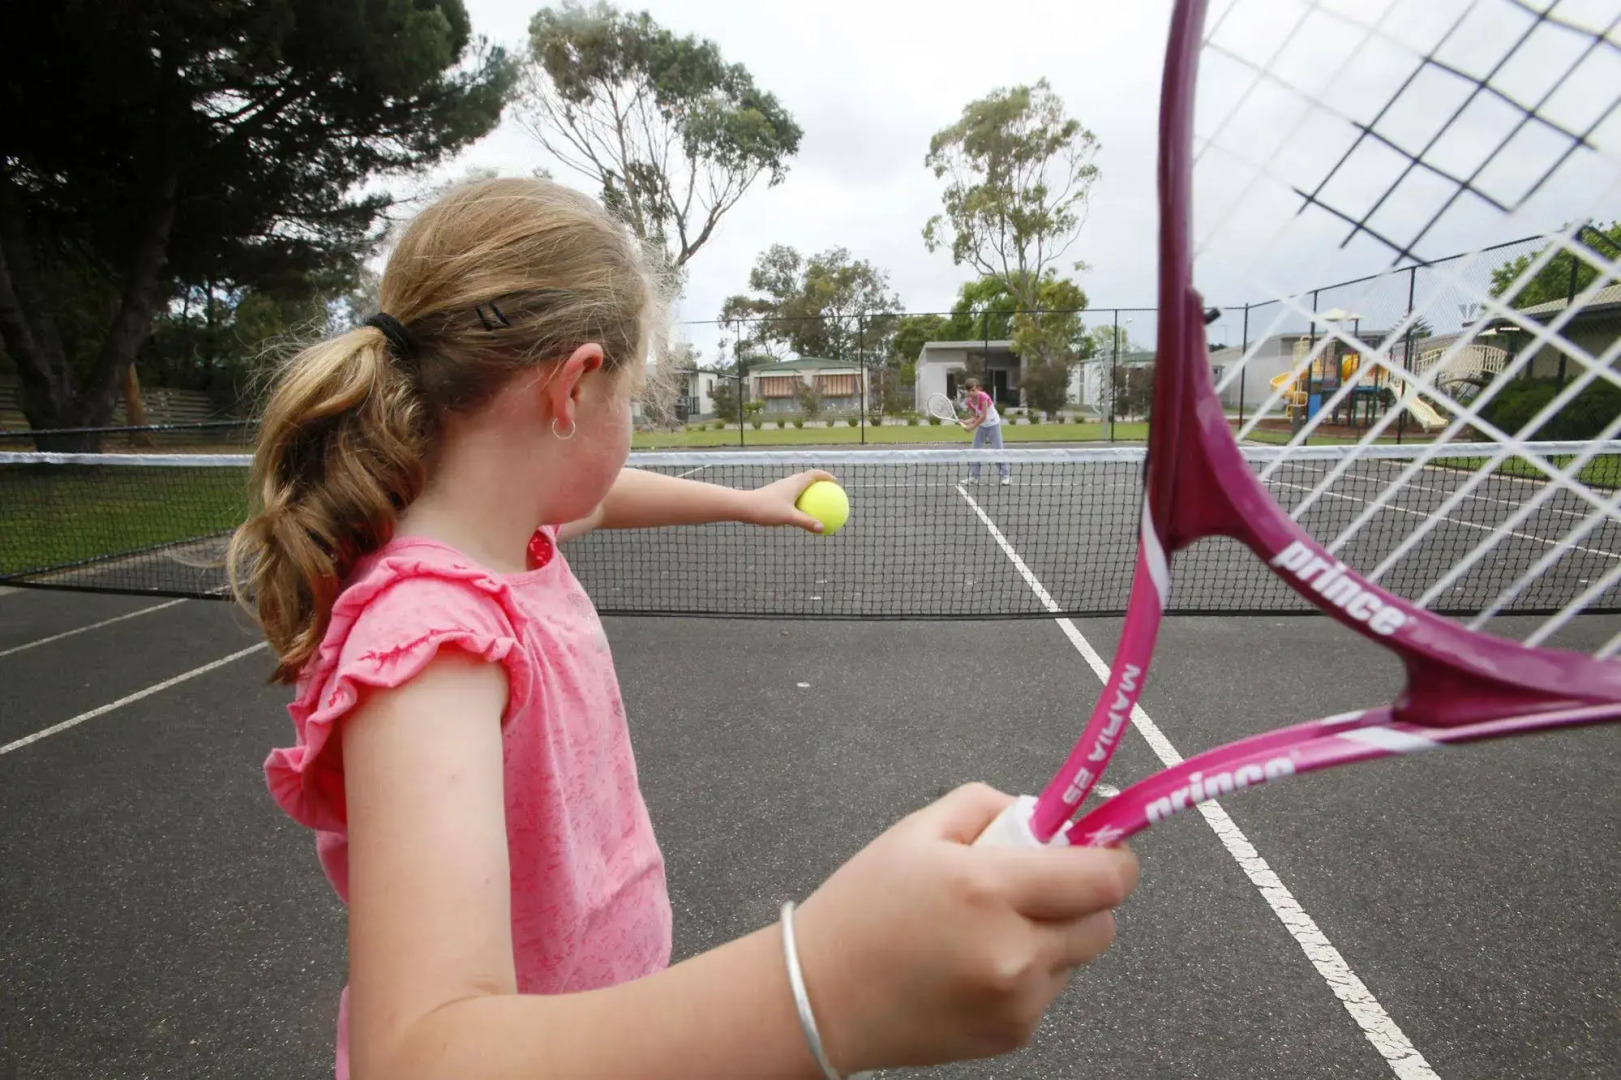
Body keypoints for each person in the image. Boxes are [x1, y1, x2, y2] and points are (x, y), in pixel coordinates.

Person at [228, 177, 1137, 1080]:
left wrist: (745, 504)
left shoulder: (510, 530)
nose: (632, 424)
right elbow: (418, 1056)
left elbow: (603, 495)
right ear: (574, 386)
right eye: (632, 396)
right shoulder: (433, 645)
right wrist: (820, 987)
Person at [959, 377, 1012, 485]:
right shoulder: (969, 402)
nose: (971, 393)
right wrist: (965, 421)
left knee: (998, 450)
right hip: (982, 426)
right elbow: (974, 417)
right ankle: (974, 477)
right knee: (974, 450)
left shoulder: (984, 397)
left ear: (979, 388)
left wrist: (971, 427)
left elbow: (983, 416)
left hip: (993, 424)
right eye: (968, 390)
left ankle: (1006, 476)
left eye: (973, 390)